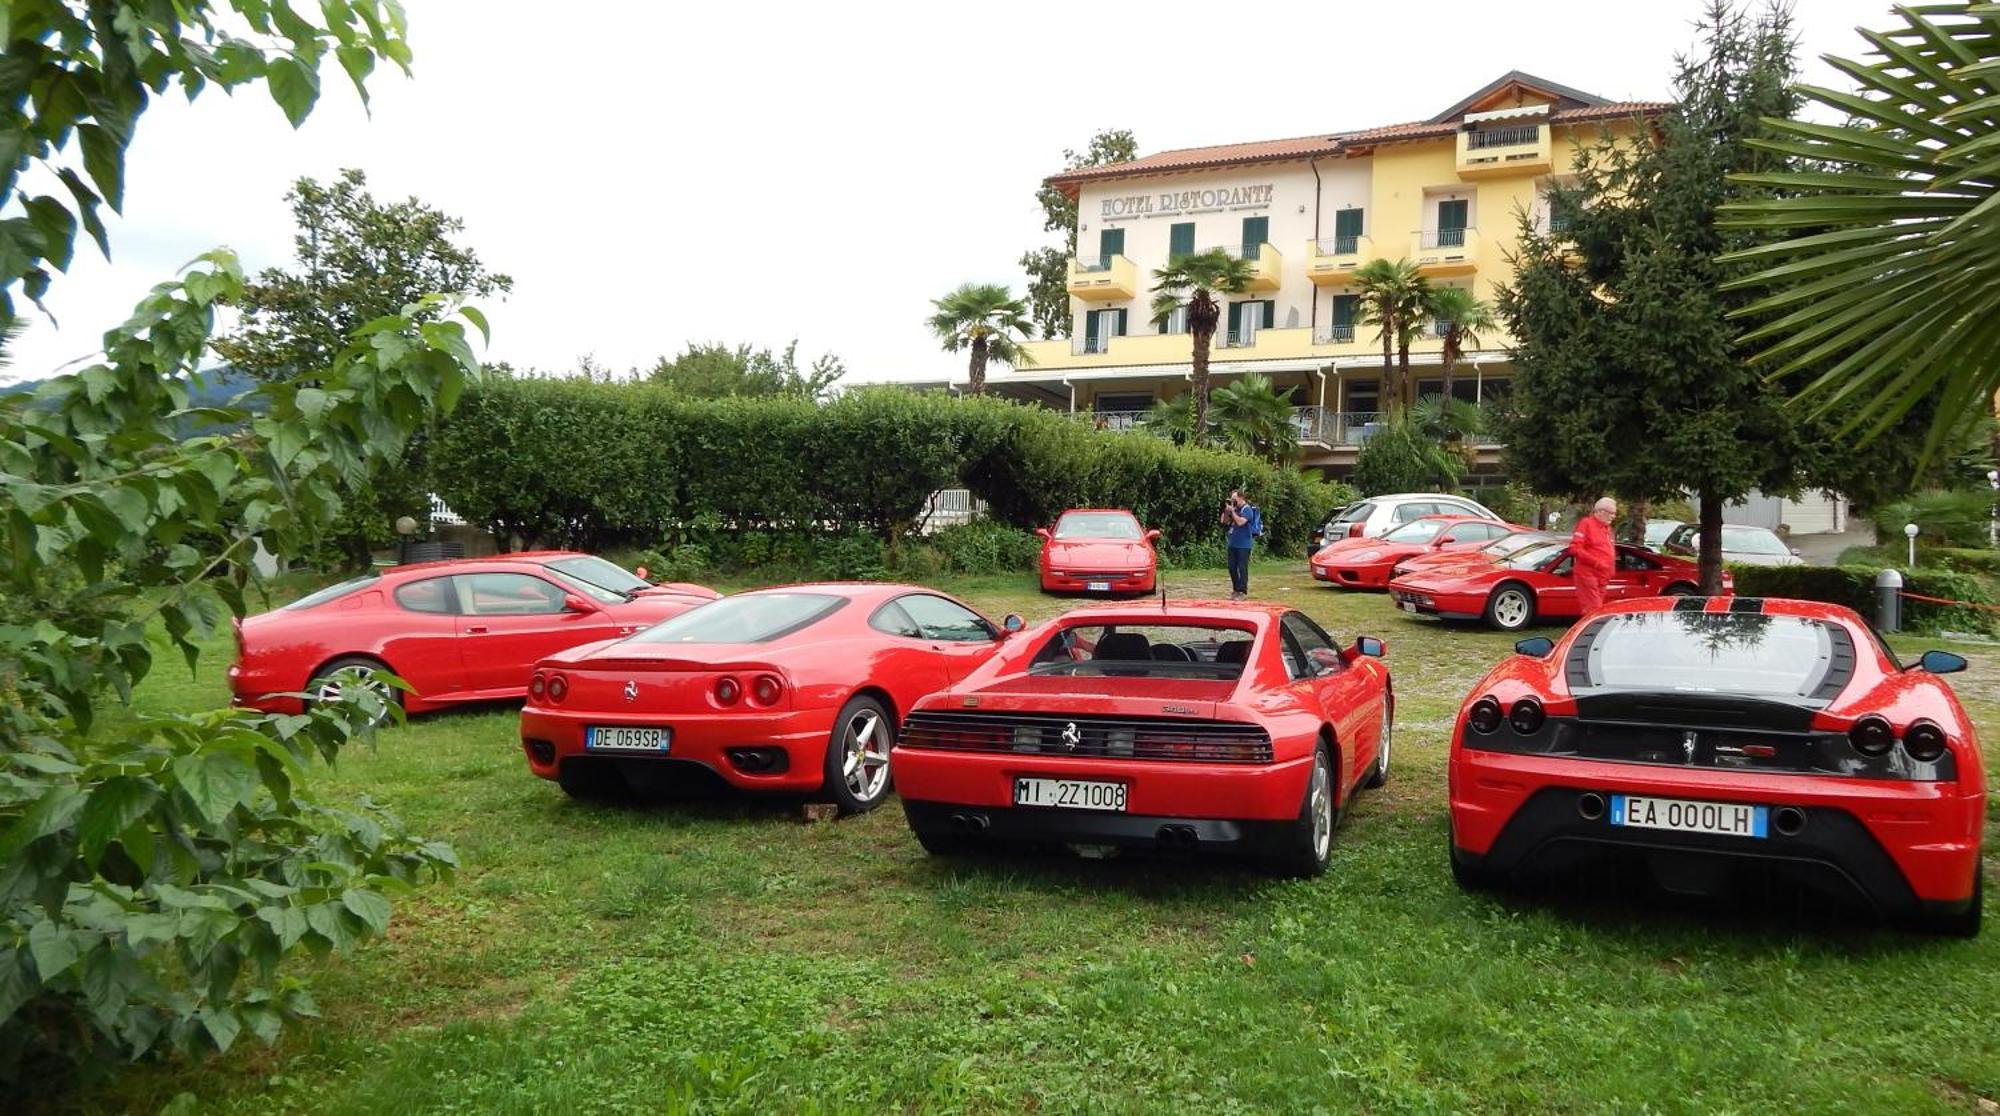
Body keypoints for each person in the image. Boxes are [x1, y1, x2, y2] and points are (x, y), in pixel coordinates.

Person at [1571, 496, 1617, 618]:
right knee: (1594, 610)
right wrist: (1596, 562)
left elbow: (1608, 551)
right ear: (1601, 511)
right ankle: (1590, 630)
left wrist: (1610, 570)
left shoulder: (1608, 529)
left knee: (1598, 609)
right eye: (1611, 513)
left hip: (1603, 576)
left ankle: (1591, 628)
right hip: (1588, 574)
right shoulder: (1586, 523)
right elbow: (1575, 548)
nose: (1613, 517)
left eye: (1614, 513)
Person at [1222, 489, 1262, 600]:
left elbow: (1240, 522)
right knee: (1232, 567)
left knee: (1242, 568)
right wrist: (1227, 511)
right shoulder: (1235, 509)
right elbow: (1224, 522)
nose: (1233, 501)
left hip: (1244, 545)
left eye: (1234, 499)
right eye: (1231, 499)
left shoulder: (1247, 510)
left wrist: (1233, 512)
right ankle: (1235, 589)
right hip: (1233, 543)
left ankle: (1242, 591)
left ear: (1241, 498)